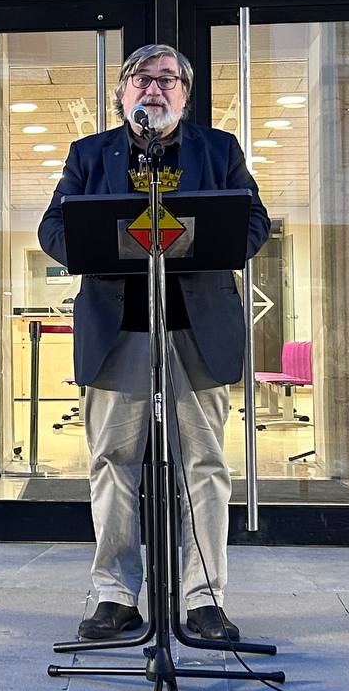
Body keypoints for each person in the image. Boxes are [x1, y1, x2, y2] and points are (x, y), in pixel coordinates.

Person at [39, 43, 269, 641]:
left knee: (207, 464)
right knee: (112, 464)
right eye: (142, 79)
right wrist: (99, 246)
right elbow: (53, 227)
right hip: (119, 334)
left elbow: (254, 223)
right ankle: (115, 597)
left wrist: (203, 242)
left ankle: (203, 600)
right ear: (122, 92)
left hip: (196, 330)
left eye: (168, 79)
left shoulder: (218, 151)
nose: (154, 89)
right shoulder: (89, 155)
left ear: (186, 95)